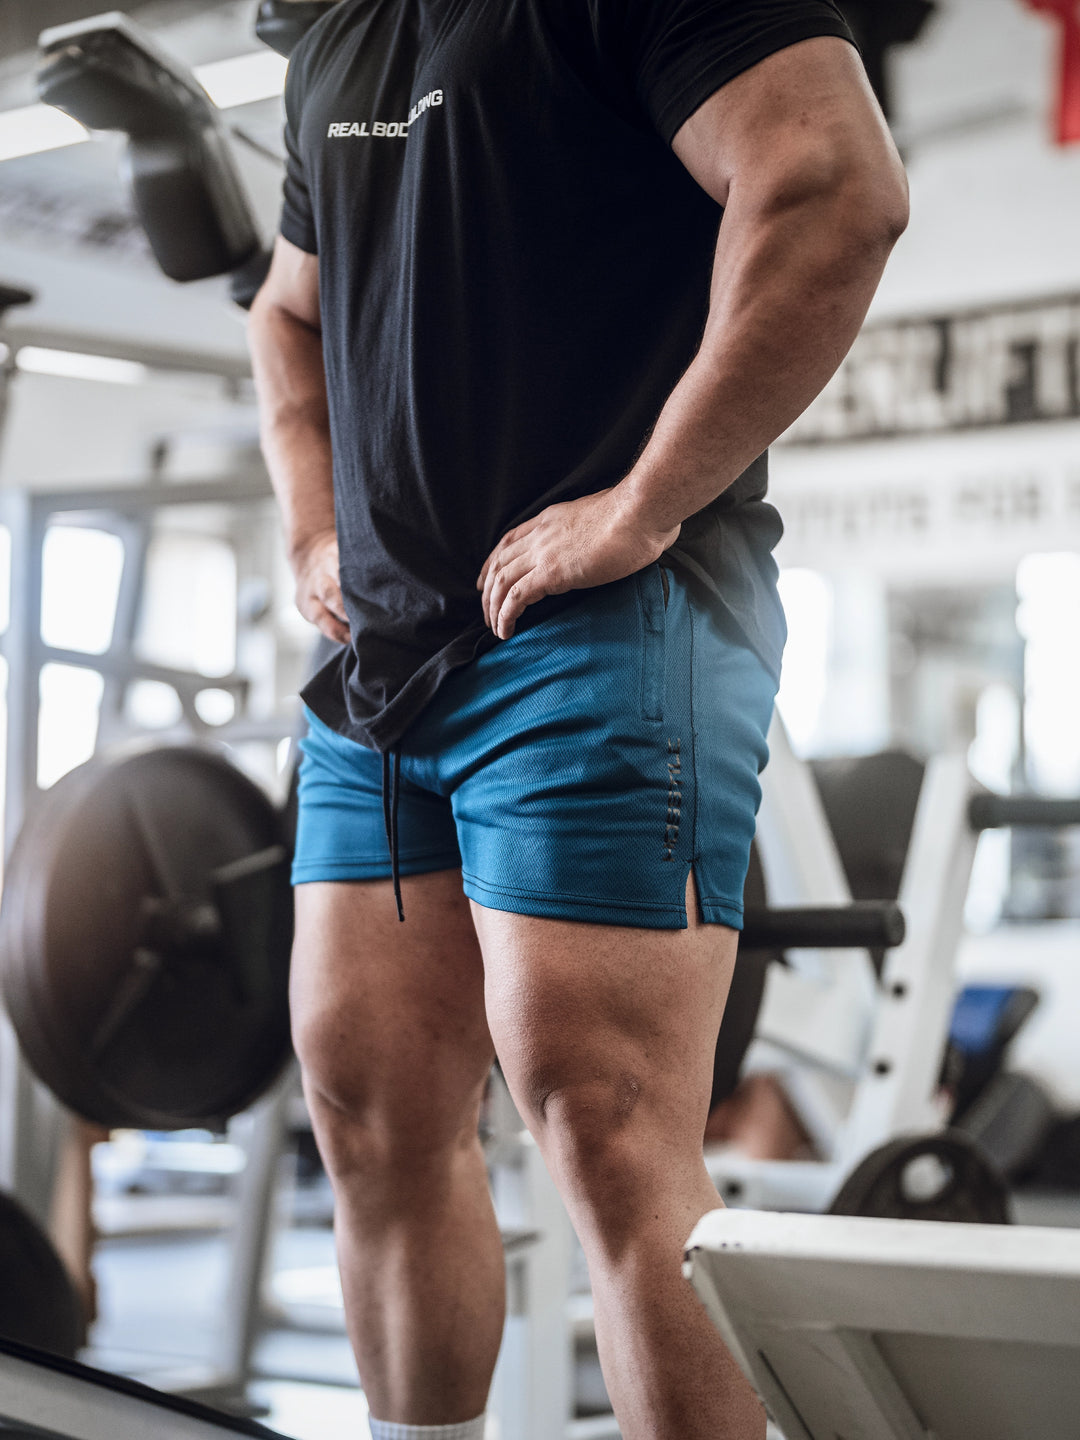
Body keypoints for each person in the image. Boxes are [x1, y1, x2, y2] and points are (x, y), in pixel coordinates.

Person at [247, 0, 908, 1435]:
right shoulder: (332, 40)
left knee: (607, 1135)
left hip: (598, 630)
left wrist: (643, 499)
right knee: (368, 1120)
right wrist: (313, 531)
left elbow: (833, 183)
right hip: (382, 670)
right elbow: (286, 316)